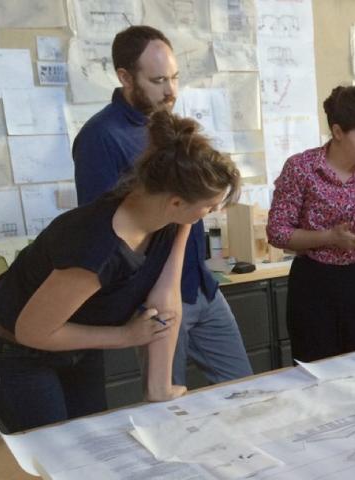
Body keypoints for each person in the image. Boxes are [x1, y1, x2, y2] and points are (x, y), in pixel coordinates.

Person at [0, 111, 241, 432]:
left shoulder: (174, 221)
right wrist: (126, 335)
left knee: (92, 440)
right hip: (17, 351)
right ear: (175, 201)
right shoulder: (97, 246)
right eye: (209, 207)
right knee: (55, 451)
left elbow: (165, 302)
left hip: (76, 343)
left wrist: (160, 388)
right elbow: (32, 331)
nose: (211, 214)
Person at [73, 26, 252, 385]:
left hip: (200, 283)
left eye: (174, 78)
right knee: (166, 405)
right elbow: (107, 235)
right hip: (154, 297)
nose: (171, 91)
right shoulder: (100, 137)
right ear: (125, 76)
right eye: (157, 80)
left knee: (245, 387)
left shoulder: (168, 126)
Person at [266, 85, 355, 362]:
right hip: (313, 282)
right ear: (338, 132)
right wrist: (329, 237)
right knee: (315, 367)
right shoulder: (301, 168)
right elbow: (278, 232)